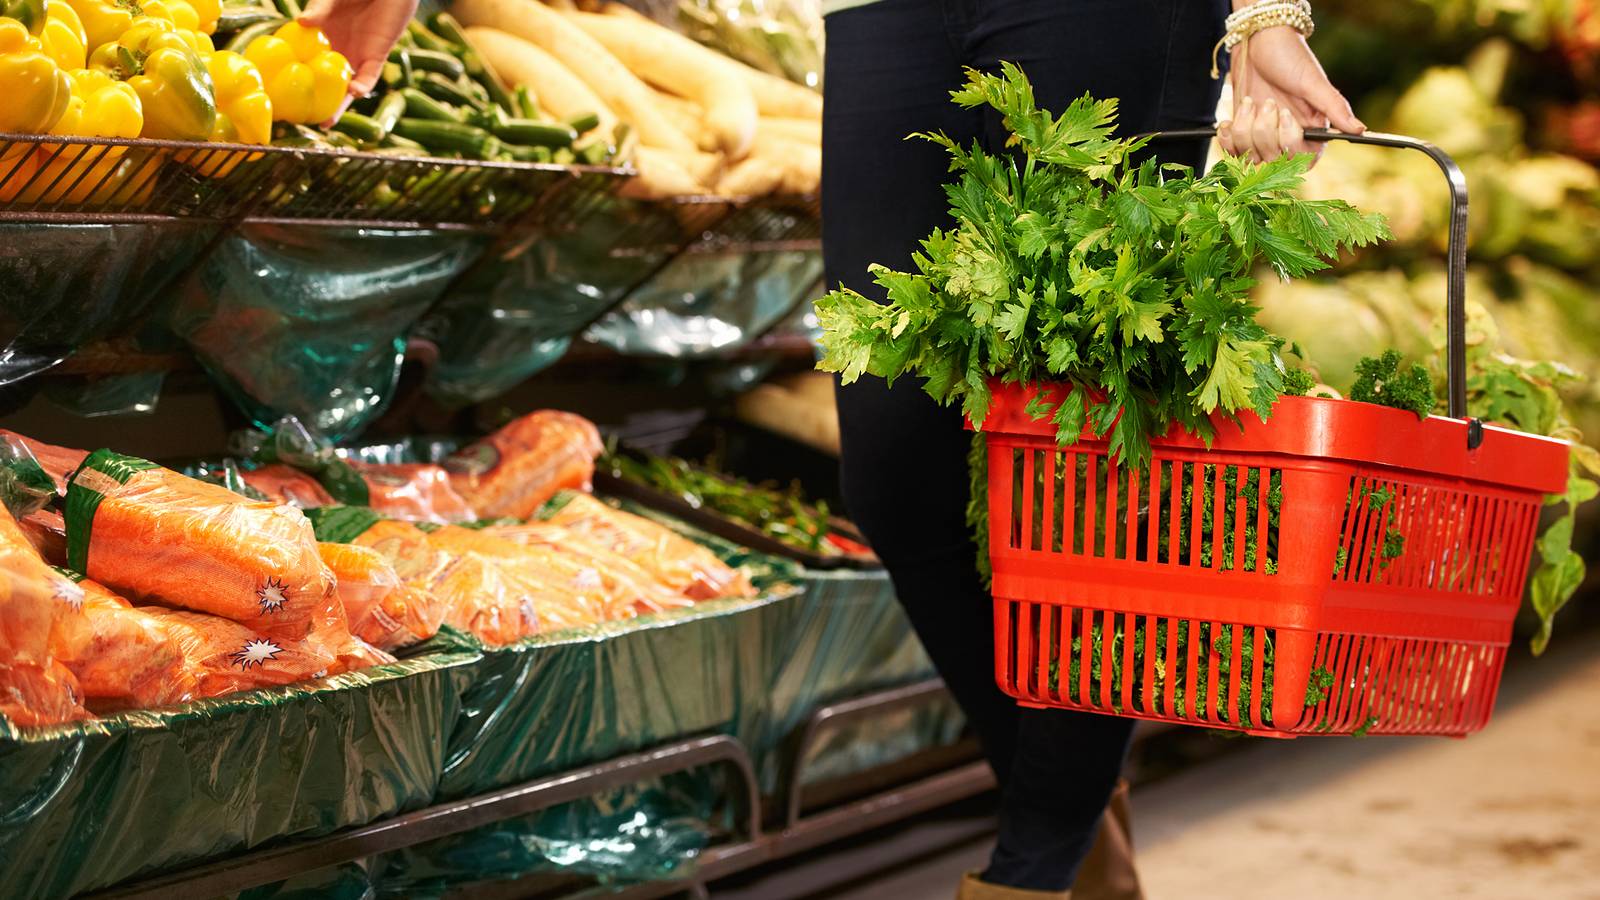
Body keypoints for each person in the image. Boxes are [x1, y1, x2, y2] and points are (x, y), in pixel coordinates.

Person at [819, 1, 1361, 897]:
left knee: (1094, 474)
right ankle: (1071, 807)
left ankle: (1031, 869)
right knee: (893, 475)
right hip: (886, 15)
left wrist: (1264, 12)